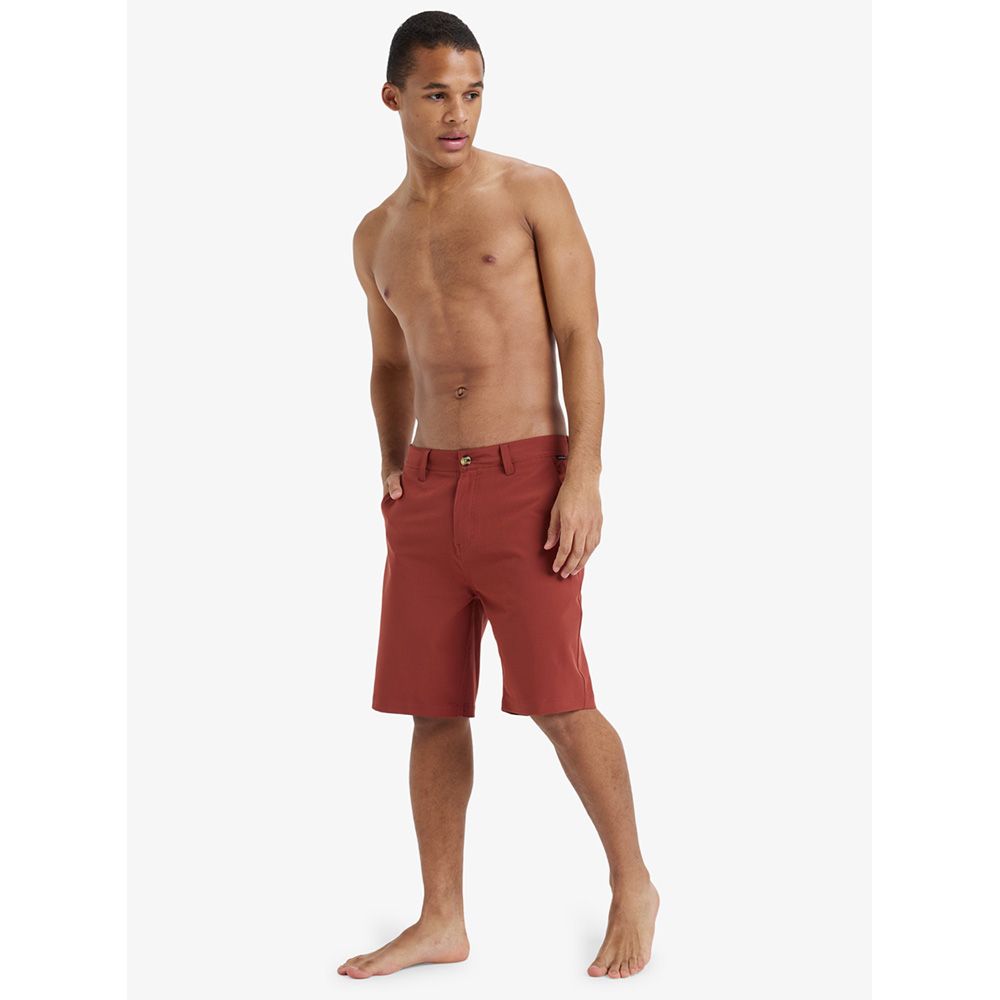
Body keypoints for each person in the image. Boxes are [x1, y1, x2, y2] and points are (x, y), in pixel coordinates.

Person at [340, 10, 659, 980]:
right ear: (393, 97)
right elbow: (389, 363)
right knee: (431, 708)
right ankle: (441, 918)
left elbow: (581, 338)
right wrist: (391, 465)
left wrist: (583, 473)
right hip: (428, 491)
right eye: (437, 93)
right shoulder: (375, 233)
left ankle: (633, 883)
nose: (458, 114)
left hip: (527, 479)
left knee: (560, 700)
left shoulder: (530, 191)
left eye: (472, 93)